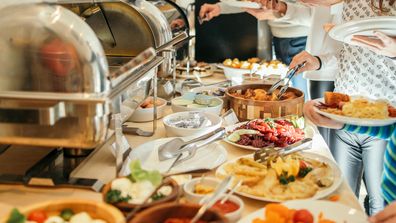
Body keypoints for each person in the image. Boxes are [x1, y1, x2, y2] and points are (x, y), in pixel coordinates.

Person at [290, 0, 396, 215]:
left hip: (384, 122)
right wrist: (318, 61)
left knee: (380, 207)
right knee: (339, 197)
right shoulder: (350, 3)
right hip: (344, 116)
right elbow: (348, 54)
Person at [199, 1, 310, 100]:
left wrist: (278, 10)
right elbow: (255, 2)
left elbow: (312, 12)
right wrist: (220, 7)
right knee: (289, 95)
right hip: (281, 38)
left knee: (298, 97)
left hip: (299, 38)